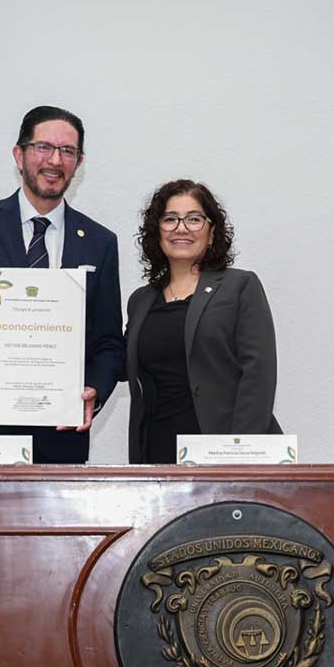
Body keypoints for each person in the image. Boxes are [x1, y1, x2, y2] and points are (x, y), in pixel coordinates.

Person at [0, 105, 124, 464]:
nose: (55, 160)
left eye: (67, 151)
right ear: (20, 154)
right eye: (43, 147)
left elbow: (109, 342)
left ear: (79, 162)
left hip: (60, 443)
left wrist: (97, 391)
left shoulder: (100, 242)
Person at [124, 180, 280, 464]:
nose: (181, 228)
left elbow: (258, 377)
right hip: (156, 450)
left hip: (222, 452)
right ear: (156, 232)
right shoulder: (140, 301)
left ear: (211, 233)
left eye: (194, 219)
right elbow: (121, 365)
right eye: (170, 219)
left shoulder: (240, 286)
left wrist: (237, 454)